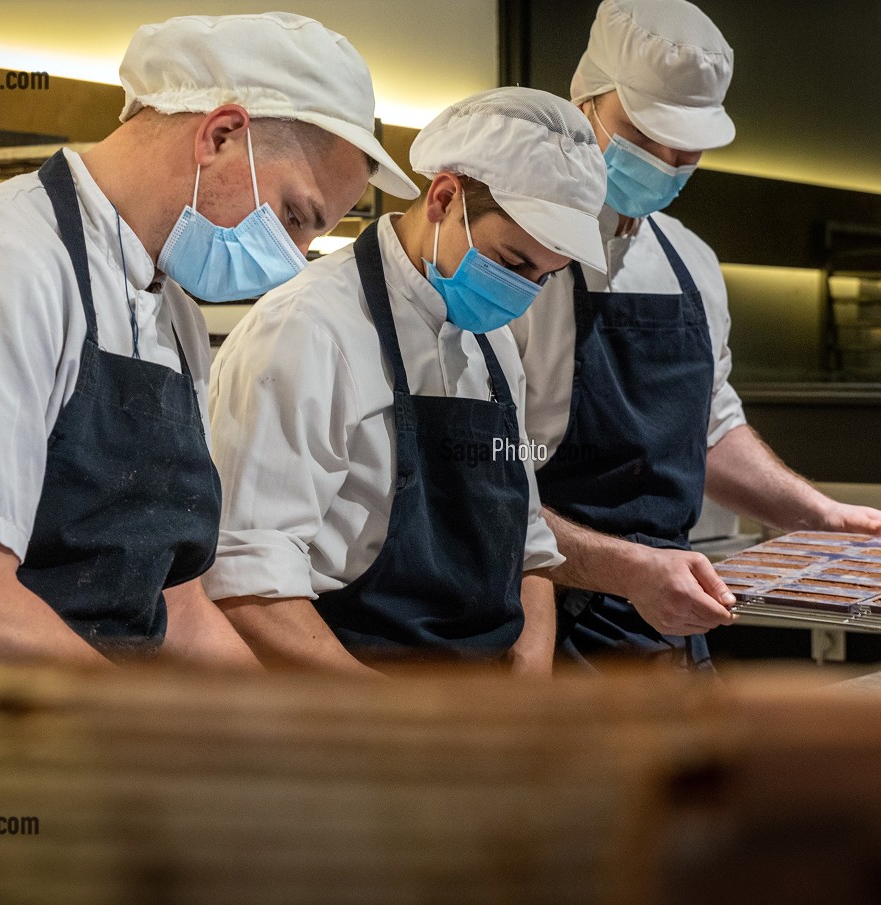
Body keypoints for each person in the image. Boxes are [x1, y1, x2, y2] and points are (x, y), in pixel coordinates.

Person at [0, 13, 419, 665]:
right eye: (296, 217)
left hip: (93, 712)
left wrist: (278, 723)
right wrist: (148, 731)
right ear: (219, 136)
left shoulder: (174, 318)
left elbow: (178, 602)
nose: (299, 256)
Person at [512, 0, 881, 670]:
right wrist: (625, 572)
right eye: (644, 137)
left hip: (671, 619)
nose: (664, 162)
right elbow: (494, 490)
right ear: (585, 104)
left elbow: (712, 429)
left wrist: (815, 513)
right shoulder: (517, 261)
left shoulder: (692, 261)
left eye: (683, 150)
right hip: (547, 616)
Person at [205, 87, 608, 675]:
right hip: (355, 701)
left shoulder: (495, 345)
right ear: (445, 197)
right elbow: (250, 581)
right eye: (514, 263)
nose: (523, 295)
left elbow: (528, 544)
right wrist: (400, 722)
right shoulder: (306, 329)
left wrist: (529, 688)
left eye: (546, 277)